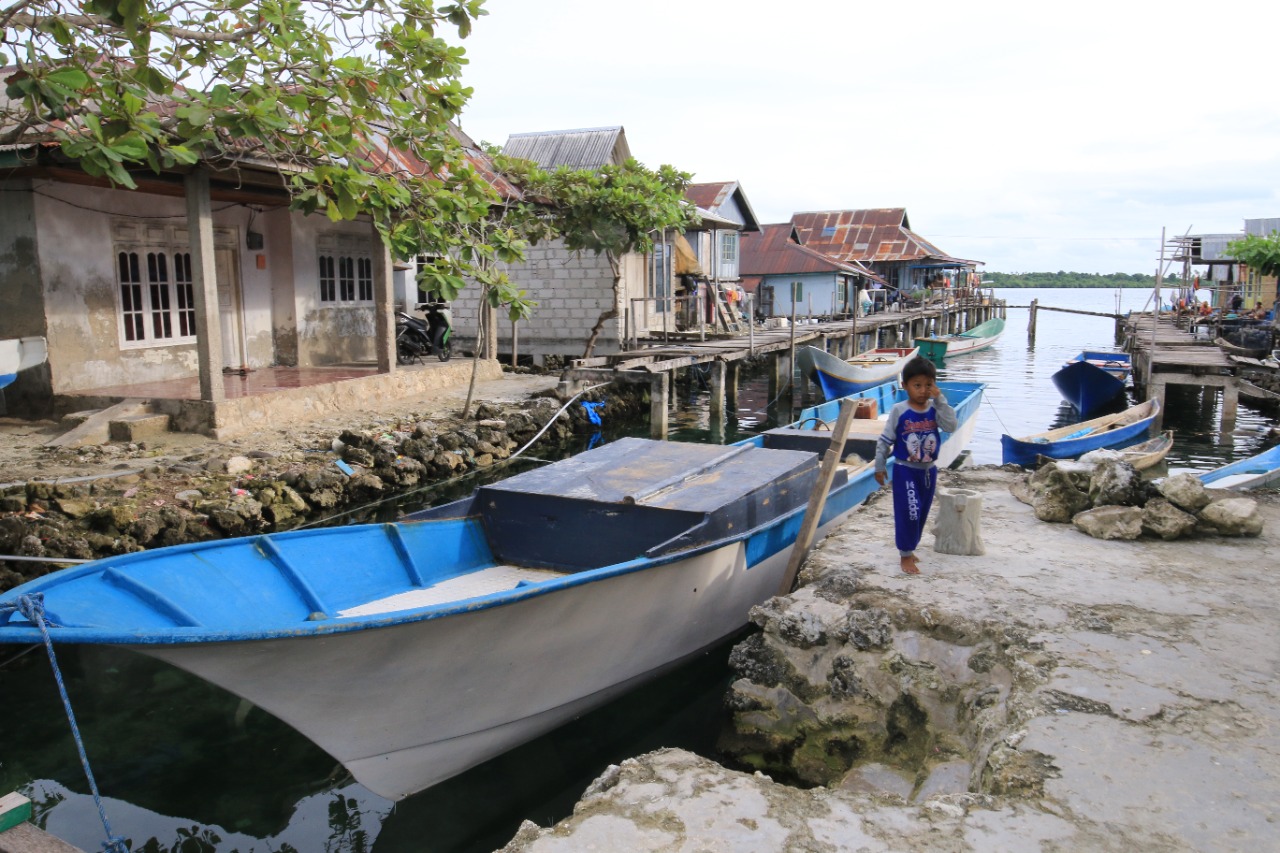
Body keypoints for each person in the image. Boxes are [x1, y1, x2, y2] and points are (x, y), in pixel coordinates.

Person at [873, 357, 958, 575]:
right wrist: (880, 466)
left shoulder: (935, 409)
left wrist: (940, 400)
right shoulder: (899, 410)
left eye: (928, 385)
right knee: (909, 512)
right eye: (917, 385)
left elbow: (951, 426)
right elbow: (884, 441)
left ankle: (910, 547)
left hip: (929, 471)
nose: (922, 391)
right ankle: (905, 554)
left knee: (921, 512)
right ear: (905, 386)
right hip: (905, 471)